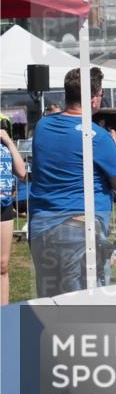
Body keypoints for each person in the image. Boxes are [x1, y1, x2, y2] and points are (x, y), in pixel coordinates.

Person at [28, 68, 116, 296]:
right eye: (101, 95)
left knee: (50, 303)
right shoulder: (96, 136)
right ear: (93, 99)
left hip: (42, 228)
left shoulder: (42, 127)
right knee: (86, 305)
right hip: (80, 229)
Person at [1, 121, 27, 304]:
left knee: (2, 265)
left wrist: (9, 142)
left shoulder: (4, 143)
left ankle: (4, 317)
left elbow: (22, 172)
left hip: (4, 208)